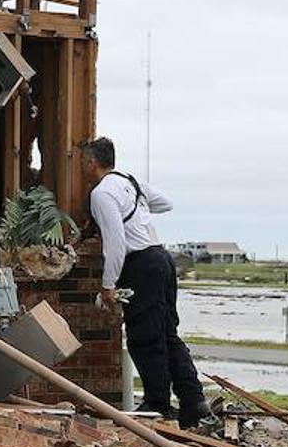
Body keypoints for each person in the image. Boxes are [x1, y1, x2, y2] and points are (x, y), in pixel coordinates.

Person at [79, 137, 214, 429]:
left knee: (145, 337)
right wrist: (138, 212)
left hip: (141, 265)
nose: (81, 169)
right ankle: (194, 401)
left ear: (92, 162)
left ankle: (158, 403)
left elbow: (115, 243)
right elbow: (165, 203)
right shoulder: (129, 181)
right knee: (167, 333)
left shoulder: (102, 193)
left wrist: (107, 285)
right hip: (162, 260)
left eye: (82, 163)